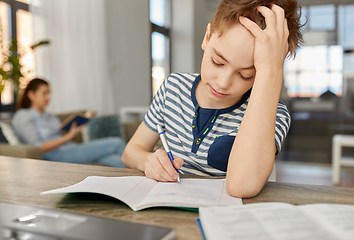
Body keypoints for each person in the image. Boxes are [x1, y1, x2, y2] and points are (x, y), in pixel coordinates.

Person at [122, 0, 303, 198]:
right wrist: (148, 161)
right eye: (217, 62)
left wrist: (271, 70)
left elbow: (242, 186)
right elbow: (131, 151)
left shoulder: (274, 113)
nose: (224, 83)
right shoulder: (173, 87)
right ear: (207, 37)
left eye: (245, 75)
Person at [12, 78, 126, 168]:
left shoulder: (50, 116)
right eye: (44, 93)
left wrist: (72, 131)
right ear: (31, 95)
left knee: (113, 158)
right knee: (116, 142)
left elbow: (59, 134)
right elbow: (37, 148)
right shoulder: (23, 116)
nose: (48, 97)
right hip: (53, 156)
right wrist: (68, 137)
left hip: (70, 148)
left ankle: (138, 185)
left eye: (49, 93)